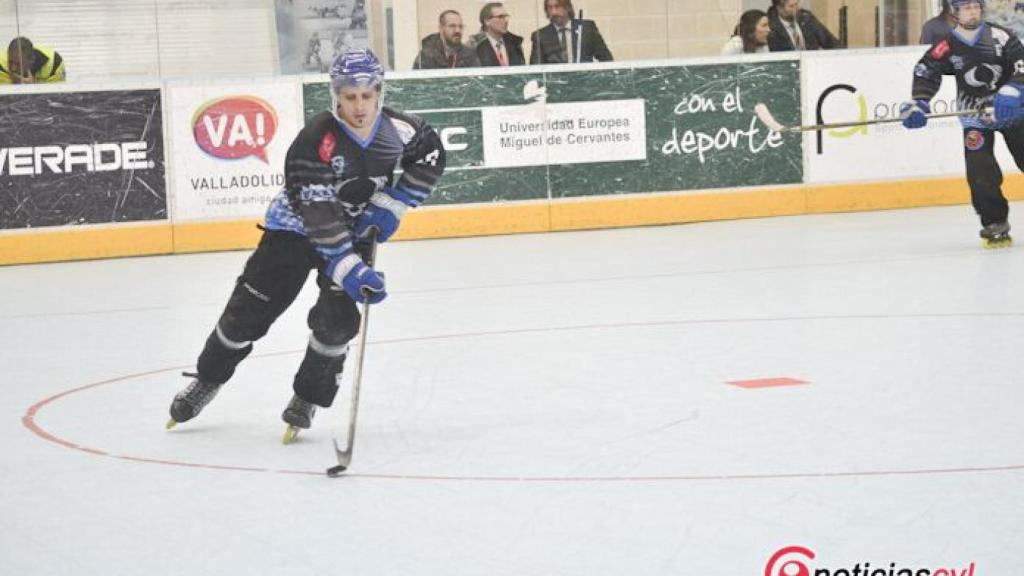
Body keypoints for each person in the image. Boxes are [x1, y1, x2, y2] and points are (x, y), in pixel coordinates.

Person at [166, 49, 447, 439]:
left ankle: (307, 396)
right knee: (246, 314)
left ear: (379, 92)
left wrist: (394, 202)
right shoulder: (316, 139)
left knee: (337, 324)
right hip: (294, 230)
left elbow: (431, 156)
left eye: (367, 95)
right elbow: (318, 215)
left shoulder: (400, 129)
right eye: (350, 96)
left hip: (355, 231)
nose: (360, 106)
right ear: (336, 95)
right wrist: (350, 269)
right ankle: (208, 378)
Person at [900, 0, 1023, 247]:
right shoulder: (947, 44)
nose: (973, 12)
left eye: (976, 7)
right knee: (980, 174)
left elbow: (1022, 64)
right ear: (954, 13)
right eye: (966, 8)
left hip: (1013, 114)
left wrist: (1014, 89)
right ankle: (994, 223)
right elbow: (926, 70)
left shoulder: (1000, 36)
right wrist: (919, 102)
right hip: (974, 119)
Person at [529, 0, 613, 64]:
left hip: (585, 80)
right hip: (556, 81)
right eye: (549, 8)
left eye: (557, 6)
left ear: (567, 7)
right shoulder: (541, 35)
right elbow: (535, 67)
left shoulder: (587, 29)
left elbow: (606, 59)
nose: (554, 12)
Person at [413, 10, 480, 69]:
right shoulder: (426, 55)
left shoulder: (469, 54)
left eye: (460, 26)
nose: (457, 30)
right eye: (452, 26)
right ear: (441, 28)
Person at [766, 0, 842, 52]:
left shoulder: (806, 17)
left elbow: (830, 41)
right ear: (779, 9)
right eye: (791, 6)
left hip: (813, 64)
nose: (796, 8)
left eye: (797, 4)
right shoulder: (770, 28)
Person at [471, 2, 526, 67]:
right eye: (500, 17)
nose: (506, 20)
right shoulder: (475, 46)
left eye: (506, 16)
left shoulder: (515, 43)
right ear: (487, 21)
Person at [0, 37, 65, 84]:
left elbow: (56, 95)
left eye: (18, 64)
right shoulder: (1, 67)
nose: (13, 68)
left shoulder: (54, 65)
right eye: (10, 62)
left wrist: (32, 88)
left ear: (32, 60)